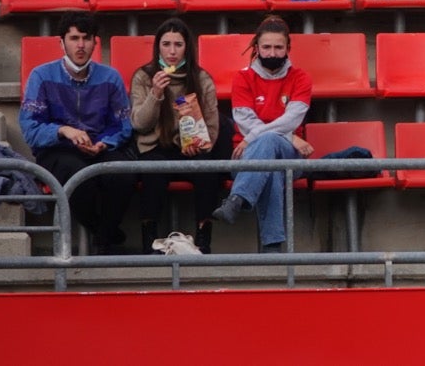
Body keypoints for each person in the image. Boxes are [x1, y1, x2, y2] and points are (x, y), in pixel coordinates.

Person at [19, 13, 137, 254]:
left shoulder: (110, 77)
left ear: (95, 42)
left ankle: (104, 238)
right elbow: (31, 128)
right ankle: (106, 235)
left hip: (100, 147)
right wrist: (63, 131)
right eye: (74, 38)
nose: (80, 45)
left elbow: (123, 125)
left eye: (86, 38)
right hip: (57, 149)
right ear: (62, 42)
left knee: (123, 174)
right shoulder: (41, 76)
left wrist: (104, 143)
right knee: (78, 176)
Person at [211, 16, 314, 252]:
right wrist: (288, 136)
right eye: (266, 47)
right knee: (272, 167)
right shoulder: (243, 78)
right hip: (247, 156)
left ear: (288, 48)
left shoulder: (301, 78)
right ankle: (273, 247)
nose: (272, 53)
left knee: (269, 144)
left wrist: (265, 138)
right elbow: (244, 121)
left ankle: (237, 198)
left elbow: (292, 118)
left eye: (278, 47)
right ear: (256, 48)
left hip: (290, 156)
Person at [129, 17, 223, 253]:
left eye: (178, 45)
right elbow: (140, 124)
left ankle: (203, 239)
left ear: (187, 48)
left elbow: (211, 126)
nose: (172, 51)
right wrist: (156, 93)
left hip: (189, 149)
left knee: (208, 172)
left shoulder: (201, 79)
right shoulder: (143, 76)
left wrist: (199, 146)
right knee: (154, 172)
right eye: (166, 44)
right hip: (155, 147)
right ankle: (149, 239)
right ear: (158, 47)